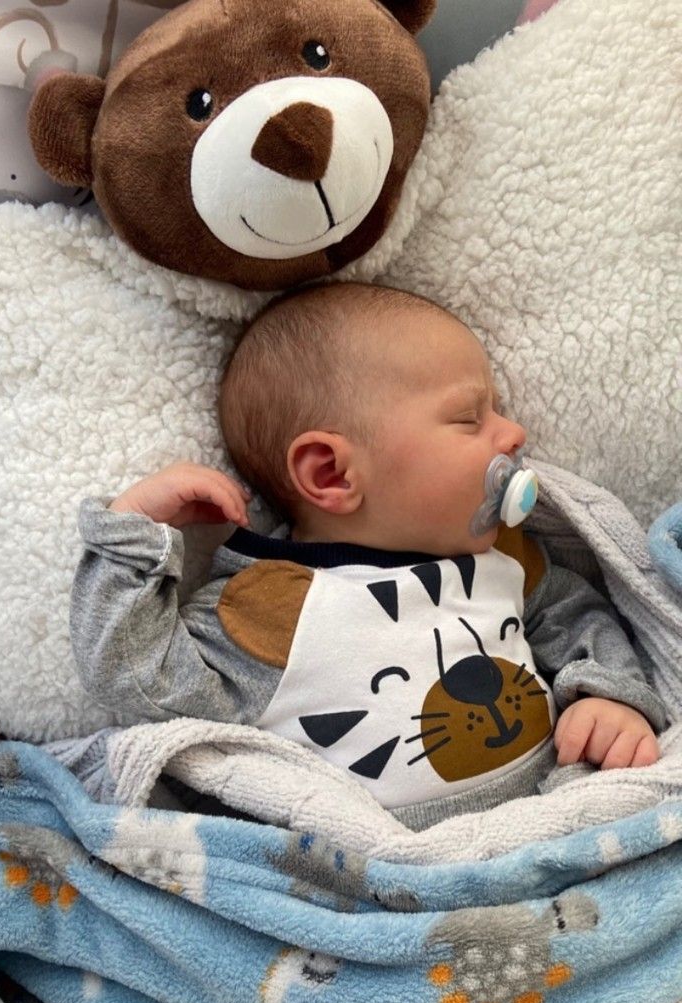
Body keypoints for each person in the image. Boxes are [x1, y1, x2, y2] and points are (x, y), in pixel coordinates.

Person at [69, 283, 665, 830]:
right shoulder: (272, 607)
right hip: (378, 873)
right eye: (469, 417)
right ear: (331, 472)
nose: (513, 434)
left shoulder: (505, 556)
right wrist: (132, 535)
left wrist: (608, 697)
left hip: (553, 823)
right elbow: (135, 676)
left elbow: (577, 615)